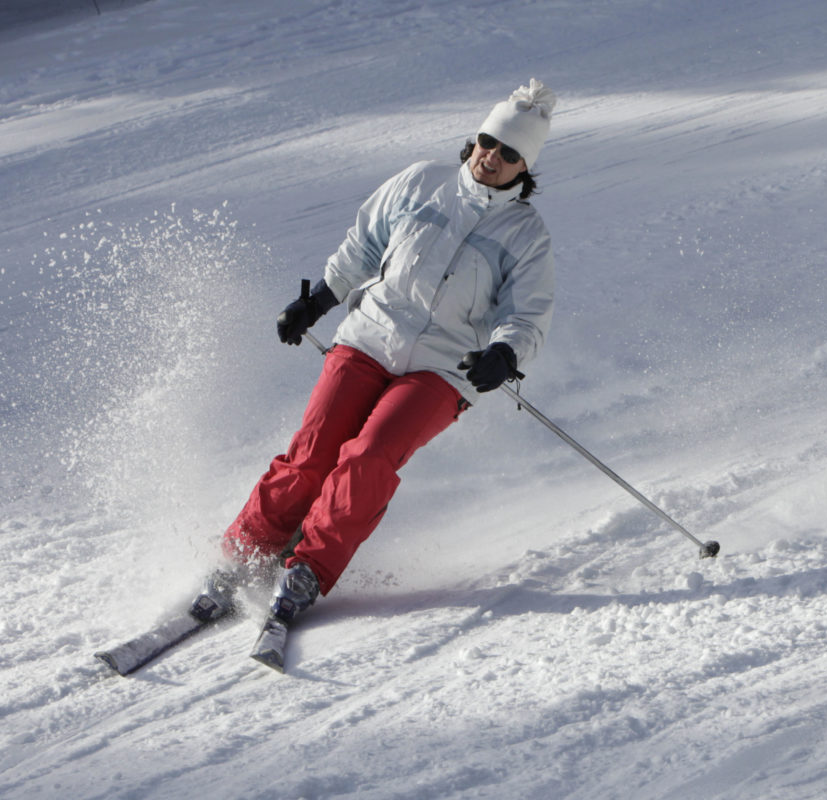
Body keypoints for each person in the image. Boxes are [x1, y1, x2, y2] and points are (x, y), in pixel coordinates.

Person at [190, 79, 557, 627]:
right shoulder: (421, 181)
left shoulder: (526, 233)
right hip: (368, 336)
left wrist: (504, 352)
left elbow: (527, 313)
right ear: (474, 139)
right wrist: (318, 300)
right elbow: (364, 245)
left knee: (369, 455)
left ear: (524, 168)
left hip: (441, 366)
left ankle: (308, 568)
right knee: (313, 452)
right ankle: (241, 555)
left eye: (510, 154)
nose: (492, 158)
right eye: (488, 141)